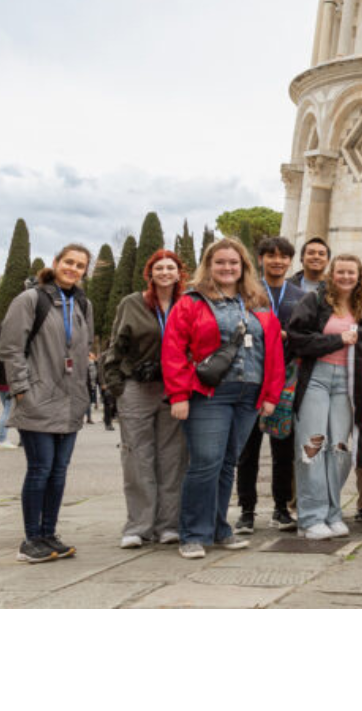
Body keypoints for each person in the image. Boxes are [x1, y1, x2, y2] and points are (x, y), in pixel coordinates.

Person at [162, 239, 284, 559]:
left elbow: (272, 351)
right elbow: (173, 350)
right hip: (209, 394)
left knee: (228, 463)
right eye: (220, 262)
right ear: (209, 265)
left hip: (250, 394)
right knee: (205, 464)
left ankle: (219, 529)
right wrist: (178, 395)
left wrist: (271, 394)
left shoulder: (258, 302)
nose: (227, 268)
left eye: (234, 262)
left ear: (243, 266)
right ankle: (192, 534)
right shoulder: (191, 302)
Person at [0, 243, 94, 563]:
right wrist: (22, 389)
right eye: (69, 262)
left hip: (71, 399)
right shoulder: (31, 299)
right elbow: (10, 348)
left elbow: (85, 348)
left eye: (80, 265)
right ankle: (31, 539)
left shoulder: (82, 302)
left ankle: (49, 534)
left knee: (59, 470)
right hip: (39, 396)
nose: (73, 269)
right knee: (40, 468)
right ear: (55, 263)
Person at [102, 249, 191, 549]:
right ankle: (138, 526)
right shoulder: (133, 303)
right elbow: (116, 346)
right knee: (137, 456)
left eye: (171, 267)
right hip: (138, 388)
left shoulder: (187, 303)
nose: (165, 272)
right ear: (150, 273)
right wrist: (116, 387)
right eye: (159, 268)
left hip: (174, 388)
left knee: (172, 458)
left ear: (180, 273)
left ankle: (168, 525)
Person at [286, 254, 362, 540]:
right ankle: (310, 518)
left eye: (352, 272)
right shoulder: (314, 301)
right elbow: (297, 338)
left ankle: (331, 513)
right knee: (312, 445)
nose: (346, 277)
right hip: (316, 378)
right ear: (331, 274)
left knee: (339, 450)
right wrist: (337, 340)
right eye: (341, 272)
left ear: (359, 276)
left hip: (347, 383)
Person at [234, 236, 306, 535]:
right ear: (260, 258)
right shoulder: (247, 292)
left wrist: (288, 337)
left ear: (290, 261)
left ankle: (280, 509)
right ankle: (247, 511)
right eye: (271, 256)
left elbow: (307, 333)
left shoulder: (299, 295)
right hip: (252, 377)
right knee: (247, 451)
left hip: (286, 379)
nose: (277, 261)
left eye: (283, 257)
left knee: (283, 449)